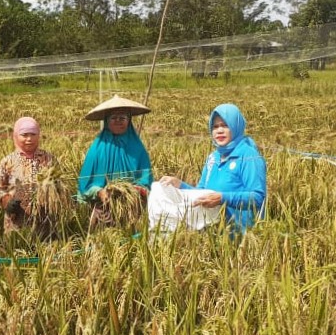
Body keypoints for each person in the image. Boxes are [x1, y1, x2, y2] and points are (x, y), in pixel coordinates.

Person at [153, 102, 266, 235]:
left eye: (225, 125)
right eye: (215, 126)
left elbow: (258, 198)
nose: (219, 131)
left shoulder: (248, 155)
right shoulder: (213, 157)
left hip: (240, 235)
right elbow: (202, 193)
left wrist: (222, 198)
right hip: (214, 231)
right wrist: (180, 185)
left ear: (235, 126)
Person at [77, 95, 153, 228]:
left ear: (129, 121)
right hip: (102, 208)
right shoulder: (97, 149)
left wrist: (136, 189)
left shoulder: (137, 148)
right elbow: (85, 183)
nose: (118, 121)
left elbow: (146, 179)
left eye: (122, 118)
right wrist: (99, 192)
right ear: (107, 121)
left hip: (132, 207)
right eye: (113, 118)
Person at [0, 116, 58, 237]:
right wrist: (7, 201)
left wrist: (52, 195)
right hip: (16, 222)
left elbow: (59, 182)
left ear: (38, 135)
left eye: (33, 134)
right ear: (16, 136)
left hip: (44, 221)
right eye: (24, 135)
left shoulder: (48, 158)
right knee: (18, 251)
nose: (29, 139)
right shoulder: (8, 161)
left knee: (45, 252)